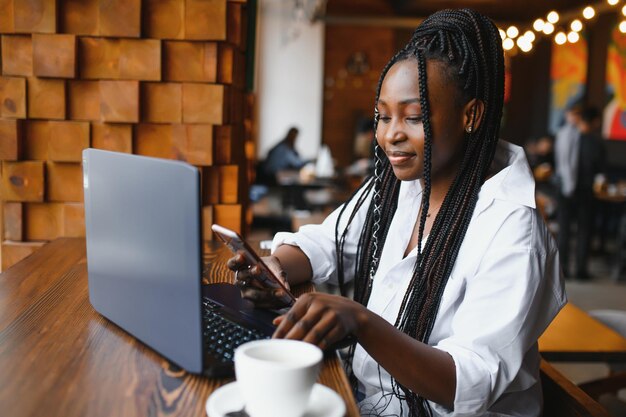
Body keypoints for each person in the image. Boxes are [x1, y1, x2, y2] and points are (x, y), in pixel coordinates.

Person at [229, 9, 565, 416]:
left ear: (471, 115)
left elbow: (465, 383)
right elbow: (326, 242)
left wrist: (361, 321)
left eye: (414, 117)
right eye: (383, 116)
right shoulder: (398, 187)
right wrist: (276, 267)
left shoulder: (513, 230)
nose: (391, 134)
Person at [557, 106, 605, 279]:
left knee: (564, 230)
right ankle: (581, 270)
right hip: (585, 191)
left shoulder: (565, 136)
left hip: (564, 189)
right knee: (584, 231)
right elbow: (600, 171)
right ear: (594, 122)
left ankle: (562, 269)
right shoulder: (594, 142)